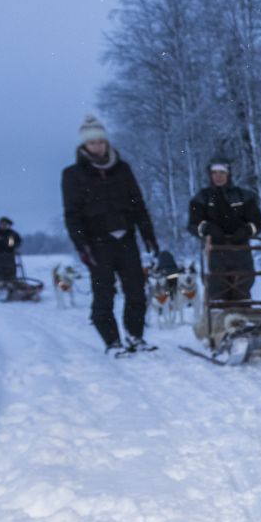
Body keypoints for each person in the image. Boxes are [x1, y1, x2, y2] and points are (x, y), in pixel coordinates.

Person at [61, 114, 160, 354]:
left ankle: (135, 335)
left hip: (126, 239)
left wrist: (148, 235)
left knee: (136, 290)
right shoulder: (73, 174)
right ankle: (112, 342)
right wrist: (81, 245)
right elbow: (72, 214)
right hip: (97, 244)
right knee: (104, 293)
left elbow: (138, 204)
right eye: (92, 142)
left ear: (106, 143)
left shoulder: (122, 169)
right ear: (84, 145)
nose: (98, 146)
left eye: (101, 141)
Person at [187, 156, 261, 302]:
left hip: (240, 250)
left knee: (242, 289)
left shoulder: (243, 196)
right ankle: (218, 319)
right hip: (215, 252)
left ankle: (243, 318)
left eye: (222, 172)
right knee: (217, 293)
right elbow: (192, 225)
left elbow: (257, 222)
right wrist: (208, 228)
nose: (218, 176)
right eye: (215, 173)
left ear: (228, 174)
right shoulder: (202, 198)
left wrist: (246, 230)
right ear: (210, 175)